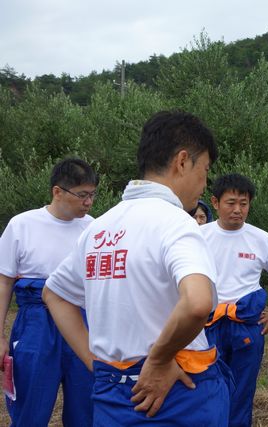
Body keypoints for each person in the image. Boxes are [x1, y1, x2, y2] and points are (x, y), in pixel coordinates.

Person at [42, 111, 230, 425]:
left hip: (112, 397)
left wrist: (96, 365)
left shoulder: (99, 229)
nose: (204, 183)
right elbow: (198, 303)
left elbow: (55, 294)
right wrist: (158, 360)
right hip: (176, 395)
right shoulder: (177, 224)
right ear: (182, 161)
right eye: (205, 169)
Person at [0, 158, 98, 427]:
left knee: (87, 404)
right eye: (82, 195)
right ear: (57, 191)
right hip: (36, 323)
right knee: (30, 405)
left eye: (92, 195)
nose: (88, 202)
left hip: (83, 321)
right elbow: (3, 282)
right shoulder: (22, 225)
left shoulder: (95, 229)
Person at [200, 173, 268, 427]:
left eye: (244, 203)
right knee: (207, 388)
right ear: (215, 202)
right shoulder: (199, 236)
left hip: (246, 324)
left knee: (242, 392)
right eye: (231, 203)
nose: (238, 210)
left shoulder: (260, 239)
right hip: (207, 325)